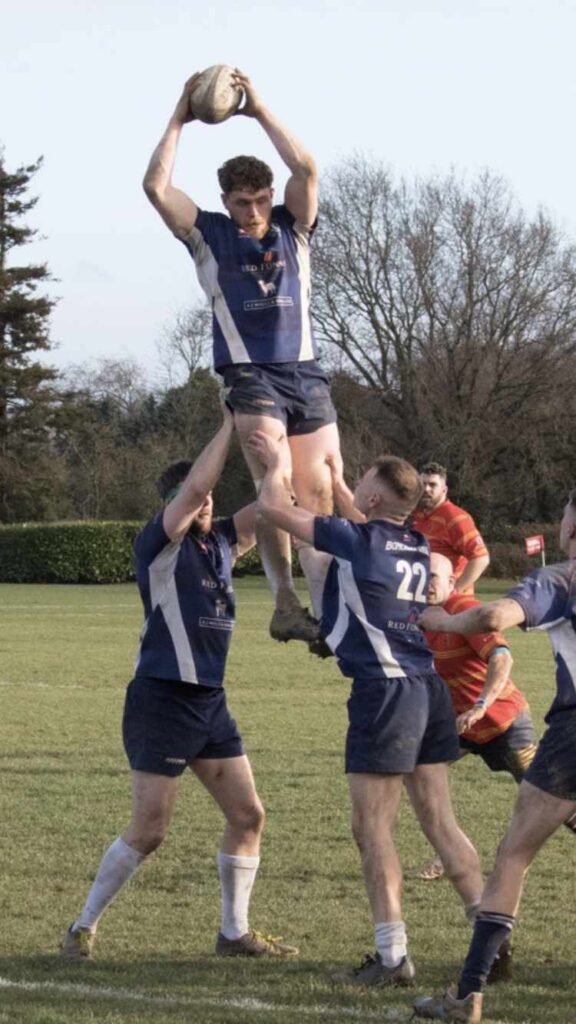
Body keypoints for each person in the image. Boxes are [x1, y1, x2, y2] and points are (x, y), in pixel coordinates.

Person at [60, 409, 298, 962]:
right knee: (150, 831)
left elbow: (272, 505)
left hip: (209, 701)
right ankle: (82, 926)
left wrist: (274, 452)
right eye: (195, 498)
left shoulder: (218, 545)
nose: (207, 503)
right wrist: (226, 424)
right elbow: (195, 487)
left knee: (248, 816)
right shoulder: (158, 545)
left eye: (212, 499)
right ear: (169, 504)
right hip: (162, 698)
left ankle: (233, 933)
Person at [248, 433, 484, 987]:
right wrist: (335, 479)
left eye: (361, 486)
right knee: (440, 822)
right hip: (428, 689)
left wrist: (276, 462)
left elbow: (271, 510)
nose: (352, 492)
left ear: (375, 499)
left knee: (372, 829)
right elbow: (371, 525)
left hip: (384, 693)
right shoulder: (417, 545)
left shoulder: (357, 541)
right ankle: (490, 937)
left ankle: (391, 956)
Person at [142, 68, 340, 651]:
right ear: (225, 202)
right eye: (240, 202)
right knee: (273, 484)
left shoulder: (294, 228)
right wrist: (180, 114)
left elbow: (306, 169)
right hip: (248, 374)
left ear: (270, 197)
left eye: (259, 200)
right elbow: (156, 188)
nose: (252, 211)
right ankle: (284, 603)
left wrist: (260, 110)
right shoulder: (208, 235)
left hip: (305, 372)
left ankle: (329, 614)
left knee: (322, 492)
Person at [413, 489, 576, 1022]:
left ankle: (467, 995)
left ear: (569, 524)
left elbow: (490, 619)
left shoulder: (559, 578)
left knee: (514, 854)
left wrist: (443, 622)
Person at [409, 551, 538, 886]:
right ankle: (450, 854)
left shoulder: (465, 612)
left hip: (502, 722)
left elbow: (502, 658)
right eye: (421, 576)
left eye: (434, 577)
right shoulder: (417, 615)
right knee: (421, 777)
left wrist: (480, 705)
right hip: (457, 726)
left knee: (553, 801)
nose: (427, 584)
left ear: (453, 581)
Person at [412, 463, 490, 594]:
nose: (426, 489)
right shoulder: (416, 514)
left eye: (432, 485)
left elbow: (481, 558)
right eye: (423, 484)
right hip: (425, 599)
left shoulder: (455, 517)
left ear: (444, 490)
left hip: (450, 606)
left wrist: (454, 591)